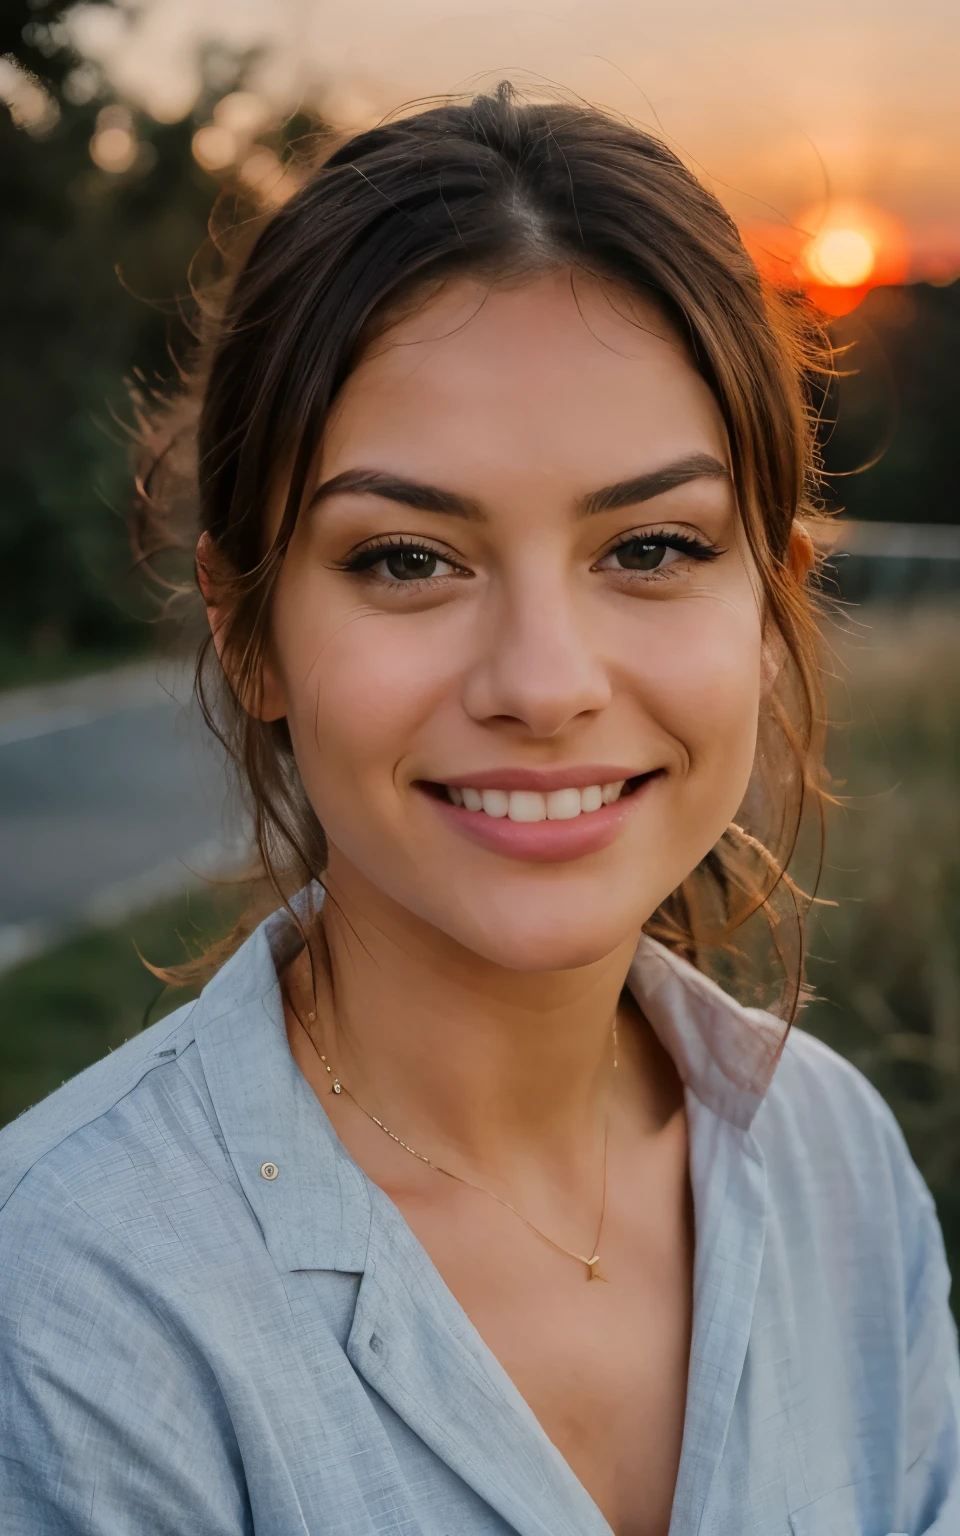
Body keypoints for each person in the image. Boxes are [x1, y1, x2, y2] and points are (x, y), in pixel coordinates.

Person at [0, 82, 957, 1536]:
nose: (543, 683)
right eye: (406, 560)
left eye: (650, 544)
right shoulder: (72, 1300)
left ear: (769, 603)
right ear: (245, 628)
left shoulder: (838, 1169)